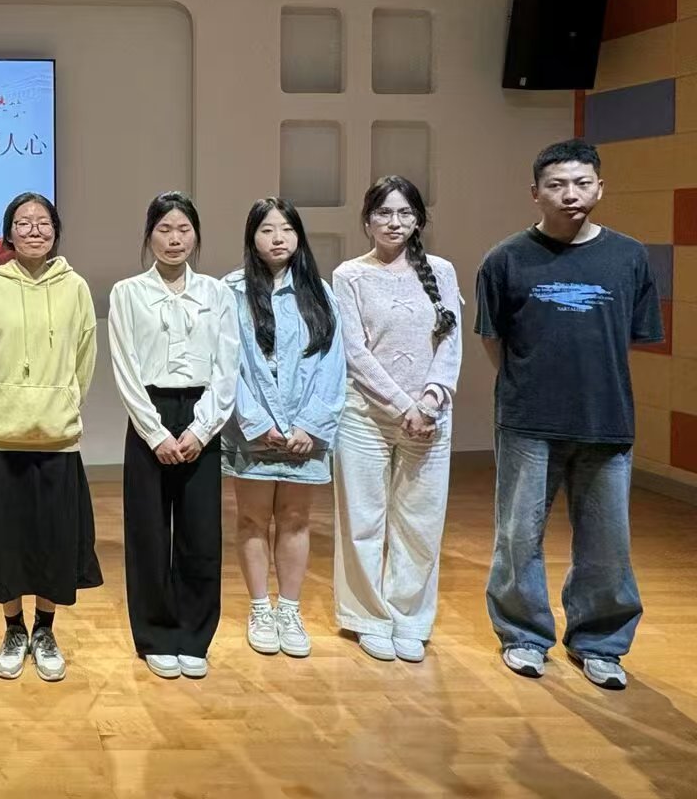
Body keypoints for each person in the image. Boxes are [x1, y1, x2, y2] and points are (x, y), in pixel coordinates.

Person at [477, 139, 662, 691]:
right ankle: (523, 636)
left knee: (607, 544)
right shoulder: (506, 258)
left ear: (600, 187)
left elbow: (631, 337)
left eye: (582, 183)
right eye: (556, 185)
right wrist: (529, 384)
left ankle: (600, 644)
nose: (570, 194)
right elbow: (493, 338)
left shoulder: (629, 256)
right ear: (535, 193)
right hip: (527, 421)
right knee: (518, 537)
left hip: (606, 420)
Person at [0, 192, 101, 682]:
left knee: (54, 542)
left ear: (56, 231)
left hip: (57, 438)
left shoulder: (75, 287)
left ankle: (45, 630)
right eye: (23, 222)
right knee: (6, 543)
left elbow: (84, 358)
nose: (34, 230)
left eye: (43, 222)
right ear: (8, 233)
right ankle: (14, 628)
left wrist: (60, 400)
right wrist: (0, 398)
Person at [331, 176, 463, 664]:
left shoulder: (442, 271)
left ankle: (409, 619)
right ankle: (368, 617)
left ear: (418, 220)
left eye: (405, 213)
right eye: (384, 213)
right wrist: (402, 406)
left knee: (420, 523)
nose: (394, 222)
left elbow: (450, 344)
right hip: (365, 416)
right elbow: (354, 351)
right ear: (367, 220)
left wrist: (429, 402)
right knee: (363, 521)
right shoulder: (349, 275)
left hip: (430, 418)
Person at [109, 191, 239, 680]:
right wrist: (155, 432)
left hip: (202, 414)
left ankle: (194, 635)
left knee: (200, 533)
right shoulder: (127, 293)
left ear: (196, 236)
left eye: (183, 229)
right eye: (164, 229)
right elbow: (125, 367)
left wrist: (202, 429)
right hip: (150, 414)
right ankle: (157, 635)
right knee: (147, 533)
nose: (174, 239)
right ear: (149, 237)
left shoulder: (217, 294)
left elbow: (228, 367)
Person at [221, 197, 345, 659]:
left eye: (287, 229)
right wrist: (254, 423)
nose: (278, 239)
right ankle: (259, 608)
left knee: (295, 519)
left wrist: (310, 425)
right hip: (252, 431)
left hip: (304, 434)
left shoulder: (320, 292)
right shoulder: (230, 291)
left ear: (299, 237)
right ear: (251, 237)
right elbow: (226, 365)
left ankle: (289, 610)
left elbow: (334, 363)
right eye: (267, 230)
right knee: (252, 519)